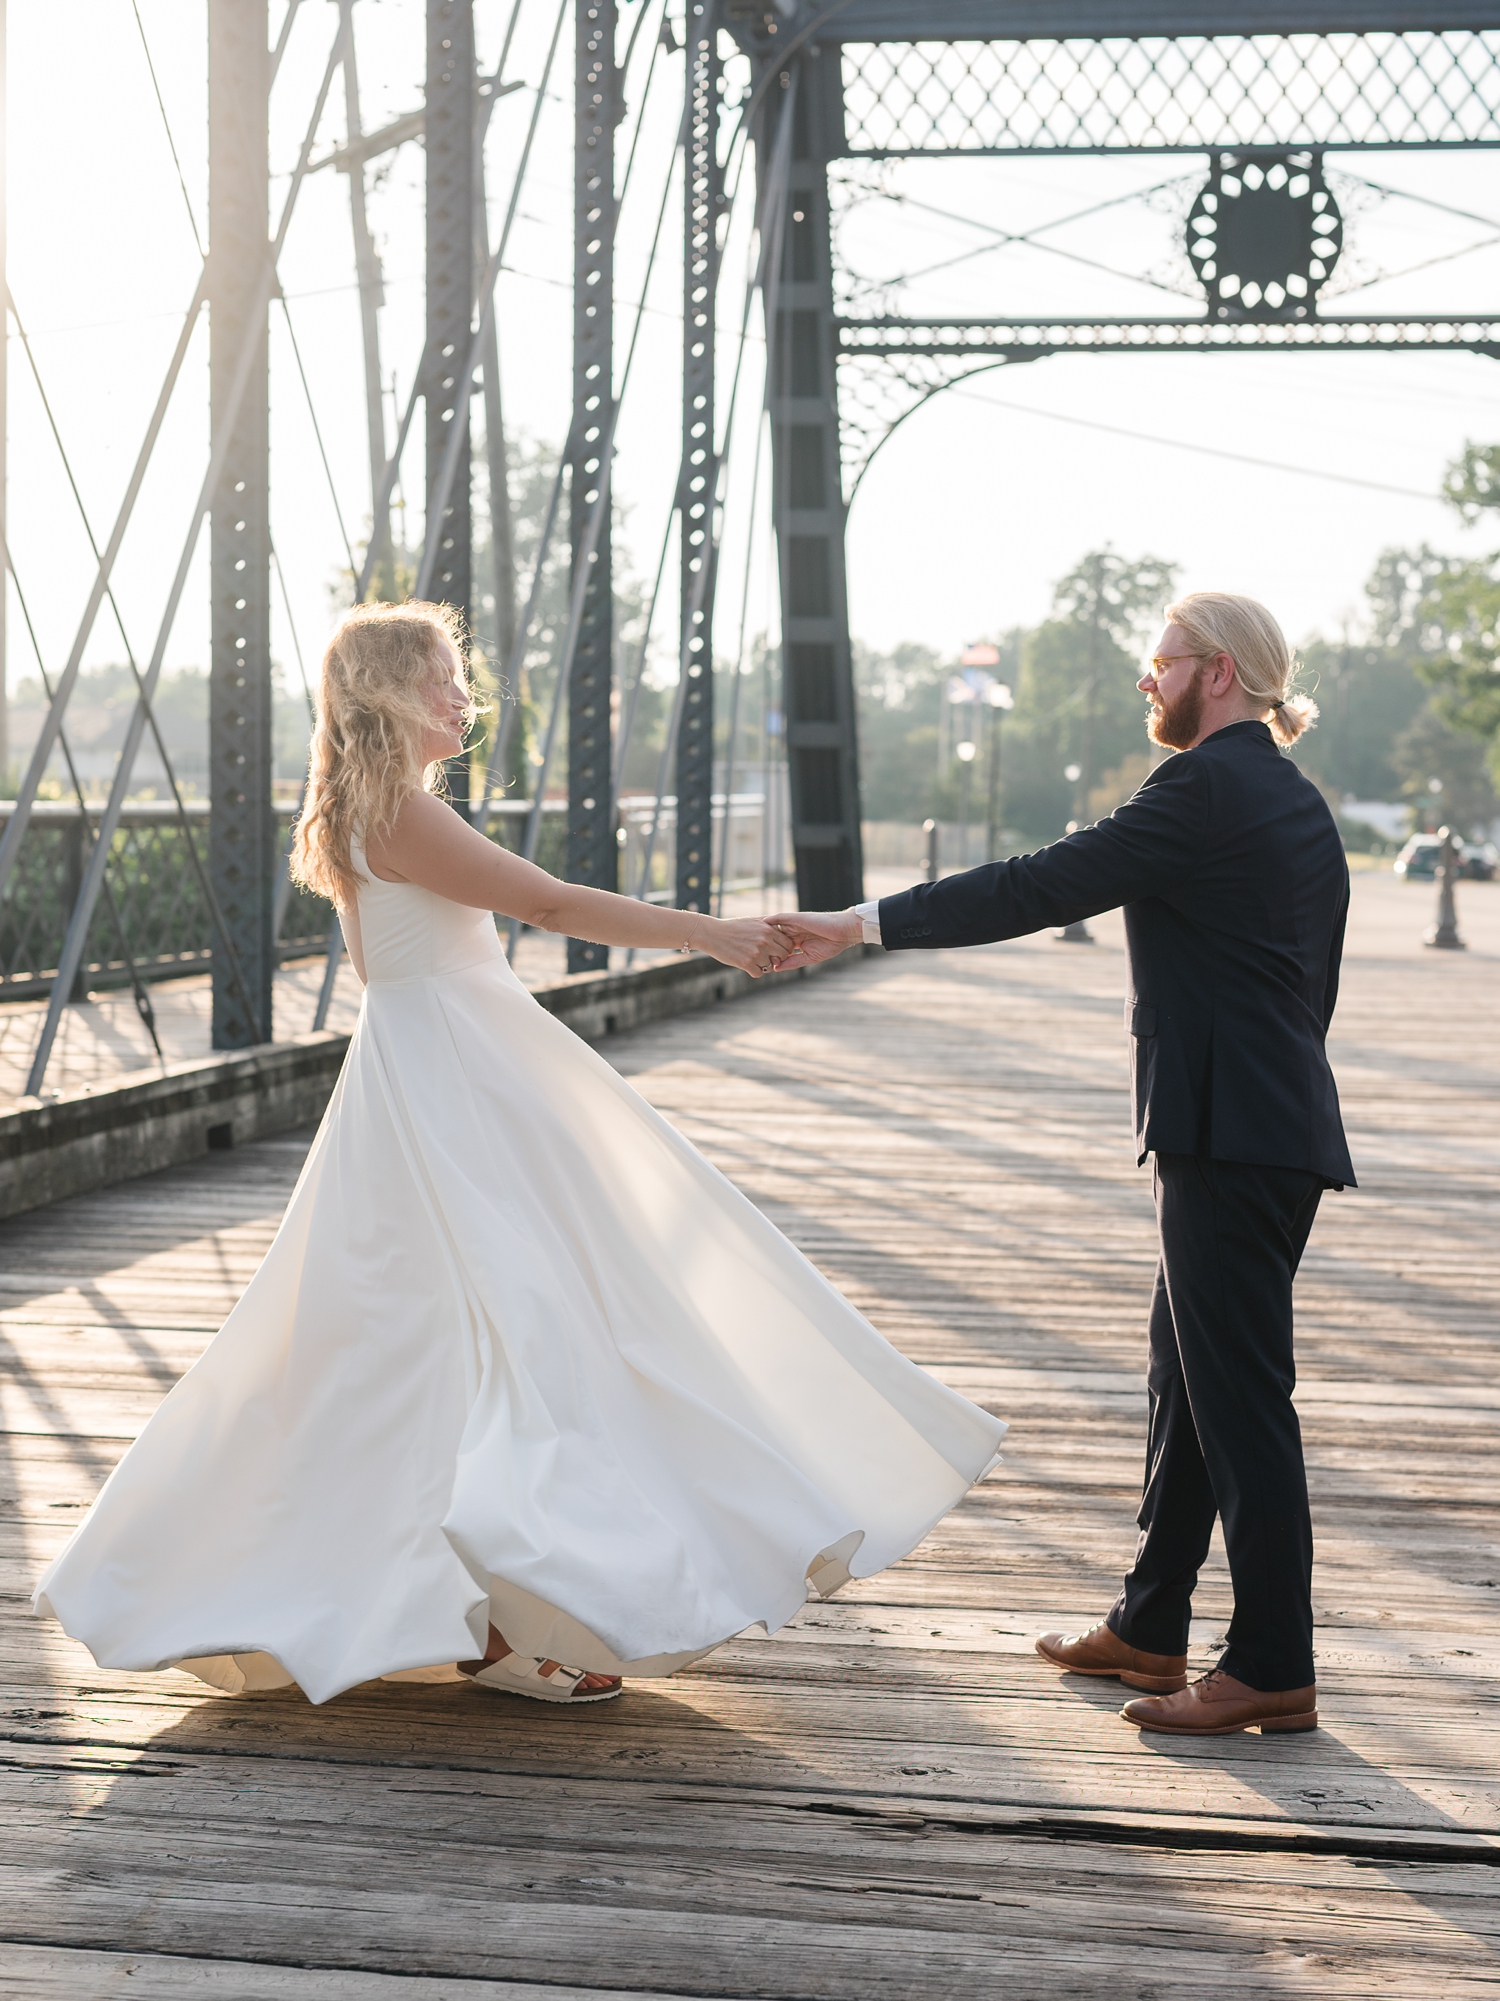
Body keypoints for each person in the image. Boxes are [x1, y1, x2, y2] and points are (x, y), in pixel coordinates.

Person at [34, 601, 1005, 1706]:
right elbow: (547, 902)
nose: (463, 695)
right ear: (393, 689)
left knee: (446, 1330)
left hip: (438, 1061)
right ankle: (511, 1624)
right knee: (522, 1316)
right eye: (441, 677)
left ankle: (497, 1621)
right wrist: (718, 932)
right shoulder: (399, 810)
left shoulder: (364, 807)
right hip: (459, 1070)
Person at [771, 592, 1352, 1738]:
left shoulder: (1203, 787)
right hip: (1264, 1127)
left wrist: (860, 921)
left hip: (1230, 1137)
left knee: (1240, 1403)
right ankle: (1151, 1620)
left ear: (1220, 674)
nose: (1149, 679)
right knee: (1187, 1384)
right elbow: (1311, 985)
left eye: (1161, 660)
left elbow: (1040, 883)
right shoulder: (1293, 802)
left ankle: (1275, 1660)